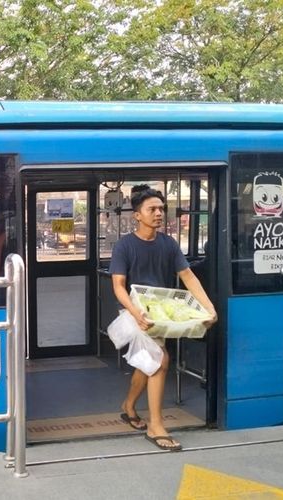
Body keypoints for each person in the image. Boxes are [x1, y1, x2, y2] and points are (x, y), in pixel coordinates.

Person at [109, 185, 216, 452]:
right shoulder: (125, 246)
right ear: (137, 215)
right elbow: (119, 286)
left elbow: (188, 277)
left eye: (161, 209)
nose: (158, 213)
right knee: (160, 361)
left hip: (161, 313)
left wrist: (209, 308)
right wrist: (137, 314)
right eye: (152, 209)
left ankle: (128, 406)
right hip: (135, 312)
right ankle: (156, 426)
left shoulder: (168, 244)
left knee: (148, 363)